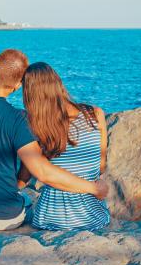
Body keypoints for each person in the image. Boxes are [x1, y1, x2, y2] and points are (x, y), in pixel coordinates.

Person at [0, 49, 108, 231]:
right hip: (6, 218)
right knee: (26, 201)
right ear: (16, 86)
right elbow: (43, 171)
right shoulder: (19, 119)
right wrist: (94, 188)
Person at [18, 62, 110, 231]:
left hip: (51, 216)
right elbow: (101, 167)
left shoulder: (35, 125)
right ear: (58, 84)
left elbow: (25, 176)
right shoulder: (95, 114)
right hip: (90, 215)